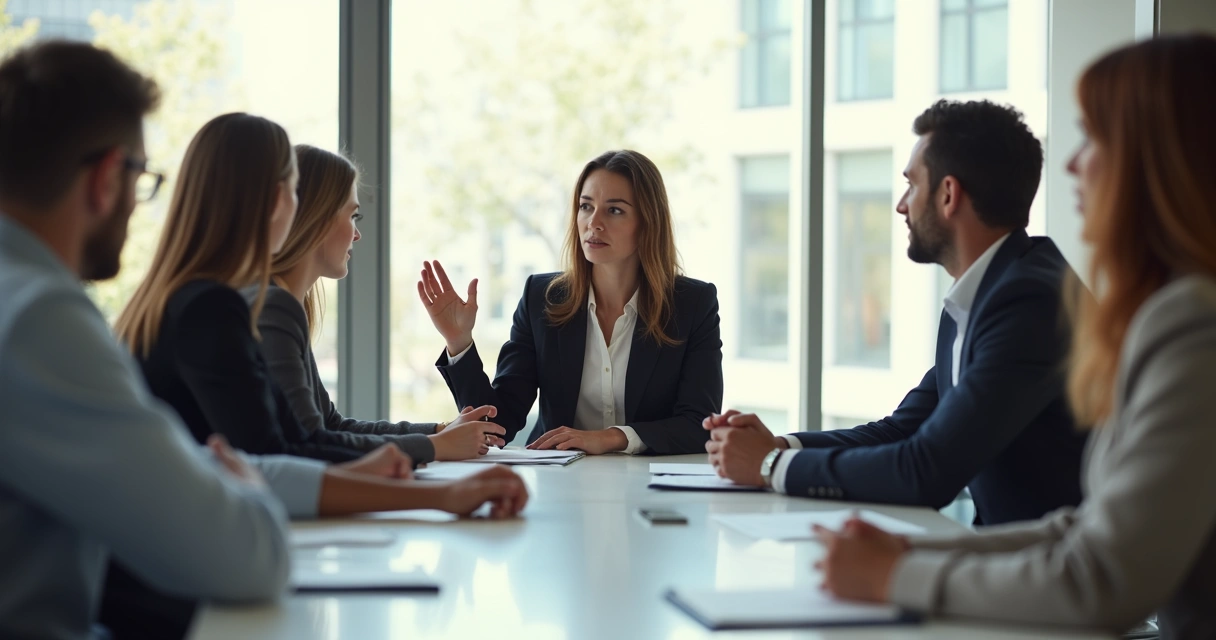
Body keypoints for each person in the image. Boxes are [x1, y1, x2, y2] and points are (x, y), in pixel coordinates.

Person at [0, 41, 528, 640]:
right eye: (141, 178)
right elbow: (253, 544)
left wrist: (427, 473)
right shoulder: (44, 320)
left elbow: (249, 461)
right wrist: (255, 487)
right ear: (104, 179)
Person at [814, 34, 1216, 639]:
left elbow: (1103, 578)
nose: (1075, 163)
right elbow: (1081, 529)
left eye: (1096, 139)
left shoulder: (1191, 321)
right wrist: (907, 559)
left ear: (1160, 159)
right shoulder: (1159, 309)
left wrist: (898, 577)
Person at [706, 100, 1088, 526]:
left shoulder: (1029, 301)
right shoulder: (985, 292)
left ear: (948, 194)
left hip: (1051, 573)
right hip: (1005, 558)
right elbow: (903, 430)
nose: (901, 205)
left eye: (911, 185)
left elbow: (927, 471)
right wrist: (779, 445)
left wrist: (769, 467)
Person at [418, 149, 723, 455]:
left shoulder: (693, 304)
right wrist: (459, 343)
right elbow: (497, 423)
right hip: (560, 480)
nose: (594, 222)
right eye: (586, 207)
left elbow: (699, 423)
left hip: (651, 484)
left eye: (614, 210)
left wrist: (611, 438)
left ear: (648, 223)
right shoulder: (541, 298)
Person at [245, 144, 507, 464]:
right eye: (352, 215)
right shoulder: (274, 308)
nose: (357, 235)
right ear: (317, 217)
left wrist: (440, 430)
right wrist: (436, 446)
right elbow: (314, 442)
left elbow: (332, 426)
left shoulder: (282, 303)